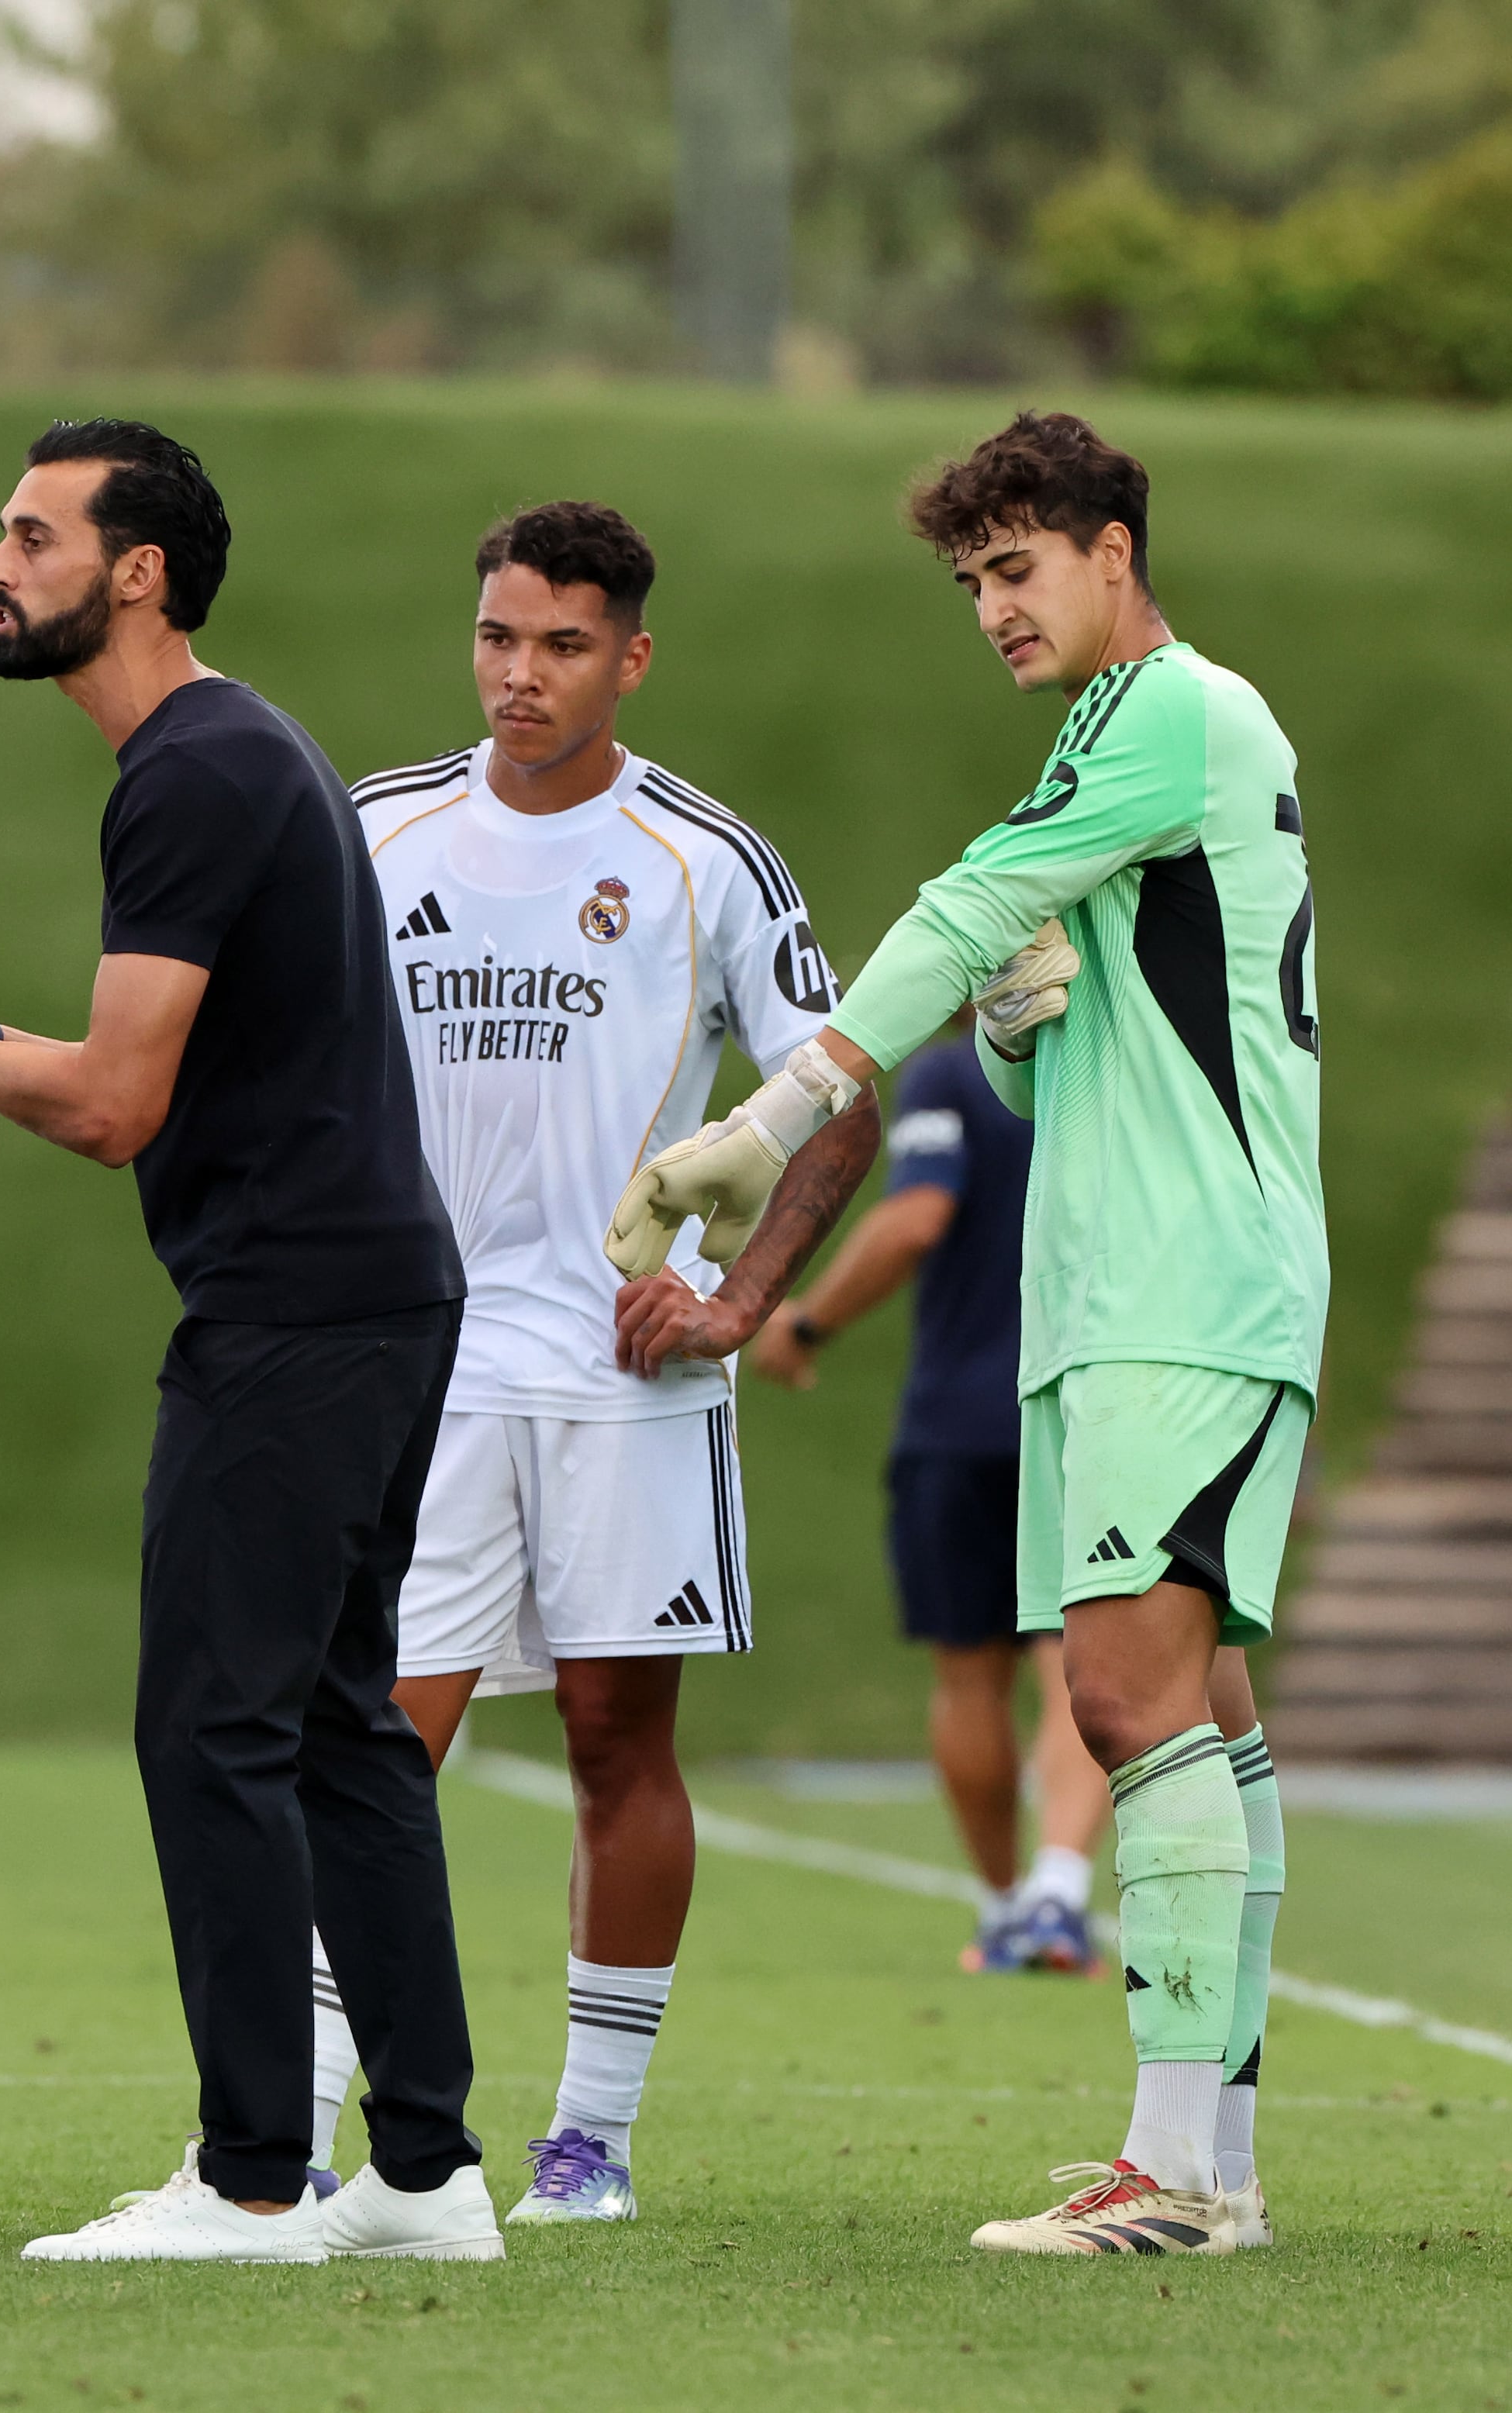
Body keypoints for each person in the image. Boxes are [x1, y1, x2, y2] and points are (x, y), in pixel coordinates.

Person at [621, 410, 1313, 2256]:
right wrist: (1014, 1027)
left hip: (1188, 1281)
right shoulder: (1118, 755)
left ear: (1109, 550)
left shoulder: (1163, 710)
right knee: (1202, 1715)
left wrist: (767, 1115)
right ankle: (1214, 2163)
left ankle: (1168, 2178)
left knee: (1121, 1698)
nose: (992, 608)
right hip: (1114, 1296)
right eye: (969, 583)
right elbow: (1034, 1014)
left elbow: (963, 903)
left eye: (1016, 568)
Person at [0, 416, 494, 2265]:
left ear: (133, 572)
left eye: (31, 532)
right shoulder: (227, 750)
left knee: (212, 1724)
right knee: (333, 1725)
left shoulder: (193, 770)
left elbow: (115, 1102)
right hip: (376, 1287)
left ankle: (248, 2181)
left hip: (301, 1303)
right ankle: (428, 2178)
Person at [316, 502, 878, 2225]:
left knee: (614, 1743)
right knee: (367, 1741)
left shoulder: (705, 854)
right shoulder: (372, 830)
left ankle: (591, 2139)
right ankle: (301, 2123)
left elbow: (842, 1093)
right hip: (423, 1371)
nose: (519, 674)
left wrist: (742, 1298)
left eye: (561, 644)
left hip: (629, 1375)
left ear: (629, 658)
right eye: (497, 636)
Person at [751, 1021, 1110, 1976]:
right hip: (1084, 1410)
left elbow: (914, 1219)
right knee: (1074, 1660)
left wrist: (805, 1321)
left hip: (959, 1420)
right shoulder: (1112, 1074)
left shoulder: (951, 1076)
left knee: (966, 1677)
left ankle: (1000, 1908)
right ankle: (1058, 1894)